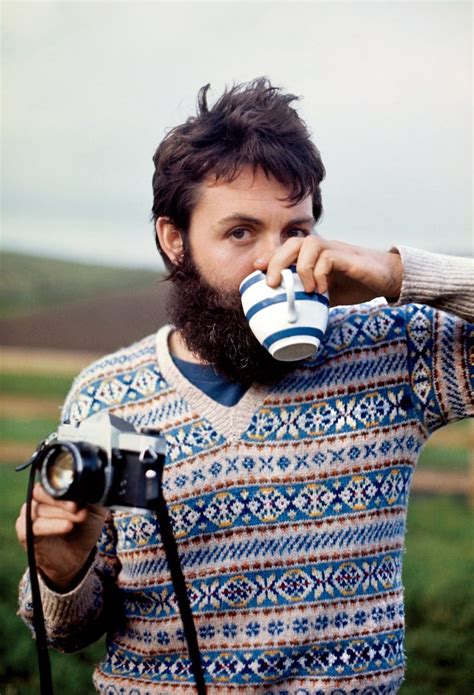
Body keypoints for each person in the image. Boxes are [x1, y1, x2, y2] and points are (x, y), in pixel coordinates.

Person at [16, 78, 473, 695]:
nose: (276, 261)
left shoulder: (390, 353)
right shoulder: (109, 394)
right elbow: (67, 632)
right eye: (240, 233)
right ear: (174, 241)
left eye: (295, 231)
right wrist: (62, 570)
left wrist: (397, 273)